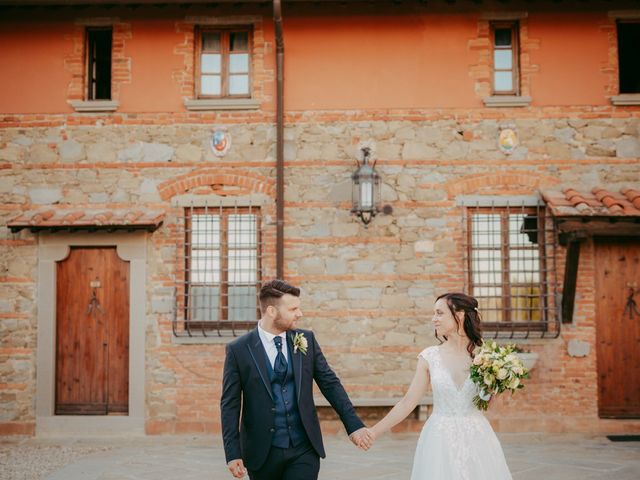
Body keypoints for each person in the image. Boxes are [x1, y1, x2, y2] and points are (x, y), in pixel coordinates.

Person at [221, 279, 372, 480]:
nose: (299, 314)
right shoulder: (239, 349)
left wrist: (353, 424)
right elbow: (230, 404)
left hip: (303, 448)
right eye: (293, 309)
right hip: (261, 451)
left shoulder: (306, 339)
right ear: (272, 311)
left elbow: (330, 383)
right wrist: (232, 453)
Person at [366, 292, 513, 480]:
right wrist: (373, 431)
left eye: (439, 313)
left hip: (477, 437)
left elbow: (492, 408)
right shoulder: (430, 357)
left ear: (459, 316)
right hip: (440, 439)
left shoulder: (486, 357)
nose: (433, 319)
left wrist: (497, 387)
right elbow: (407, 402)